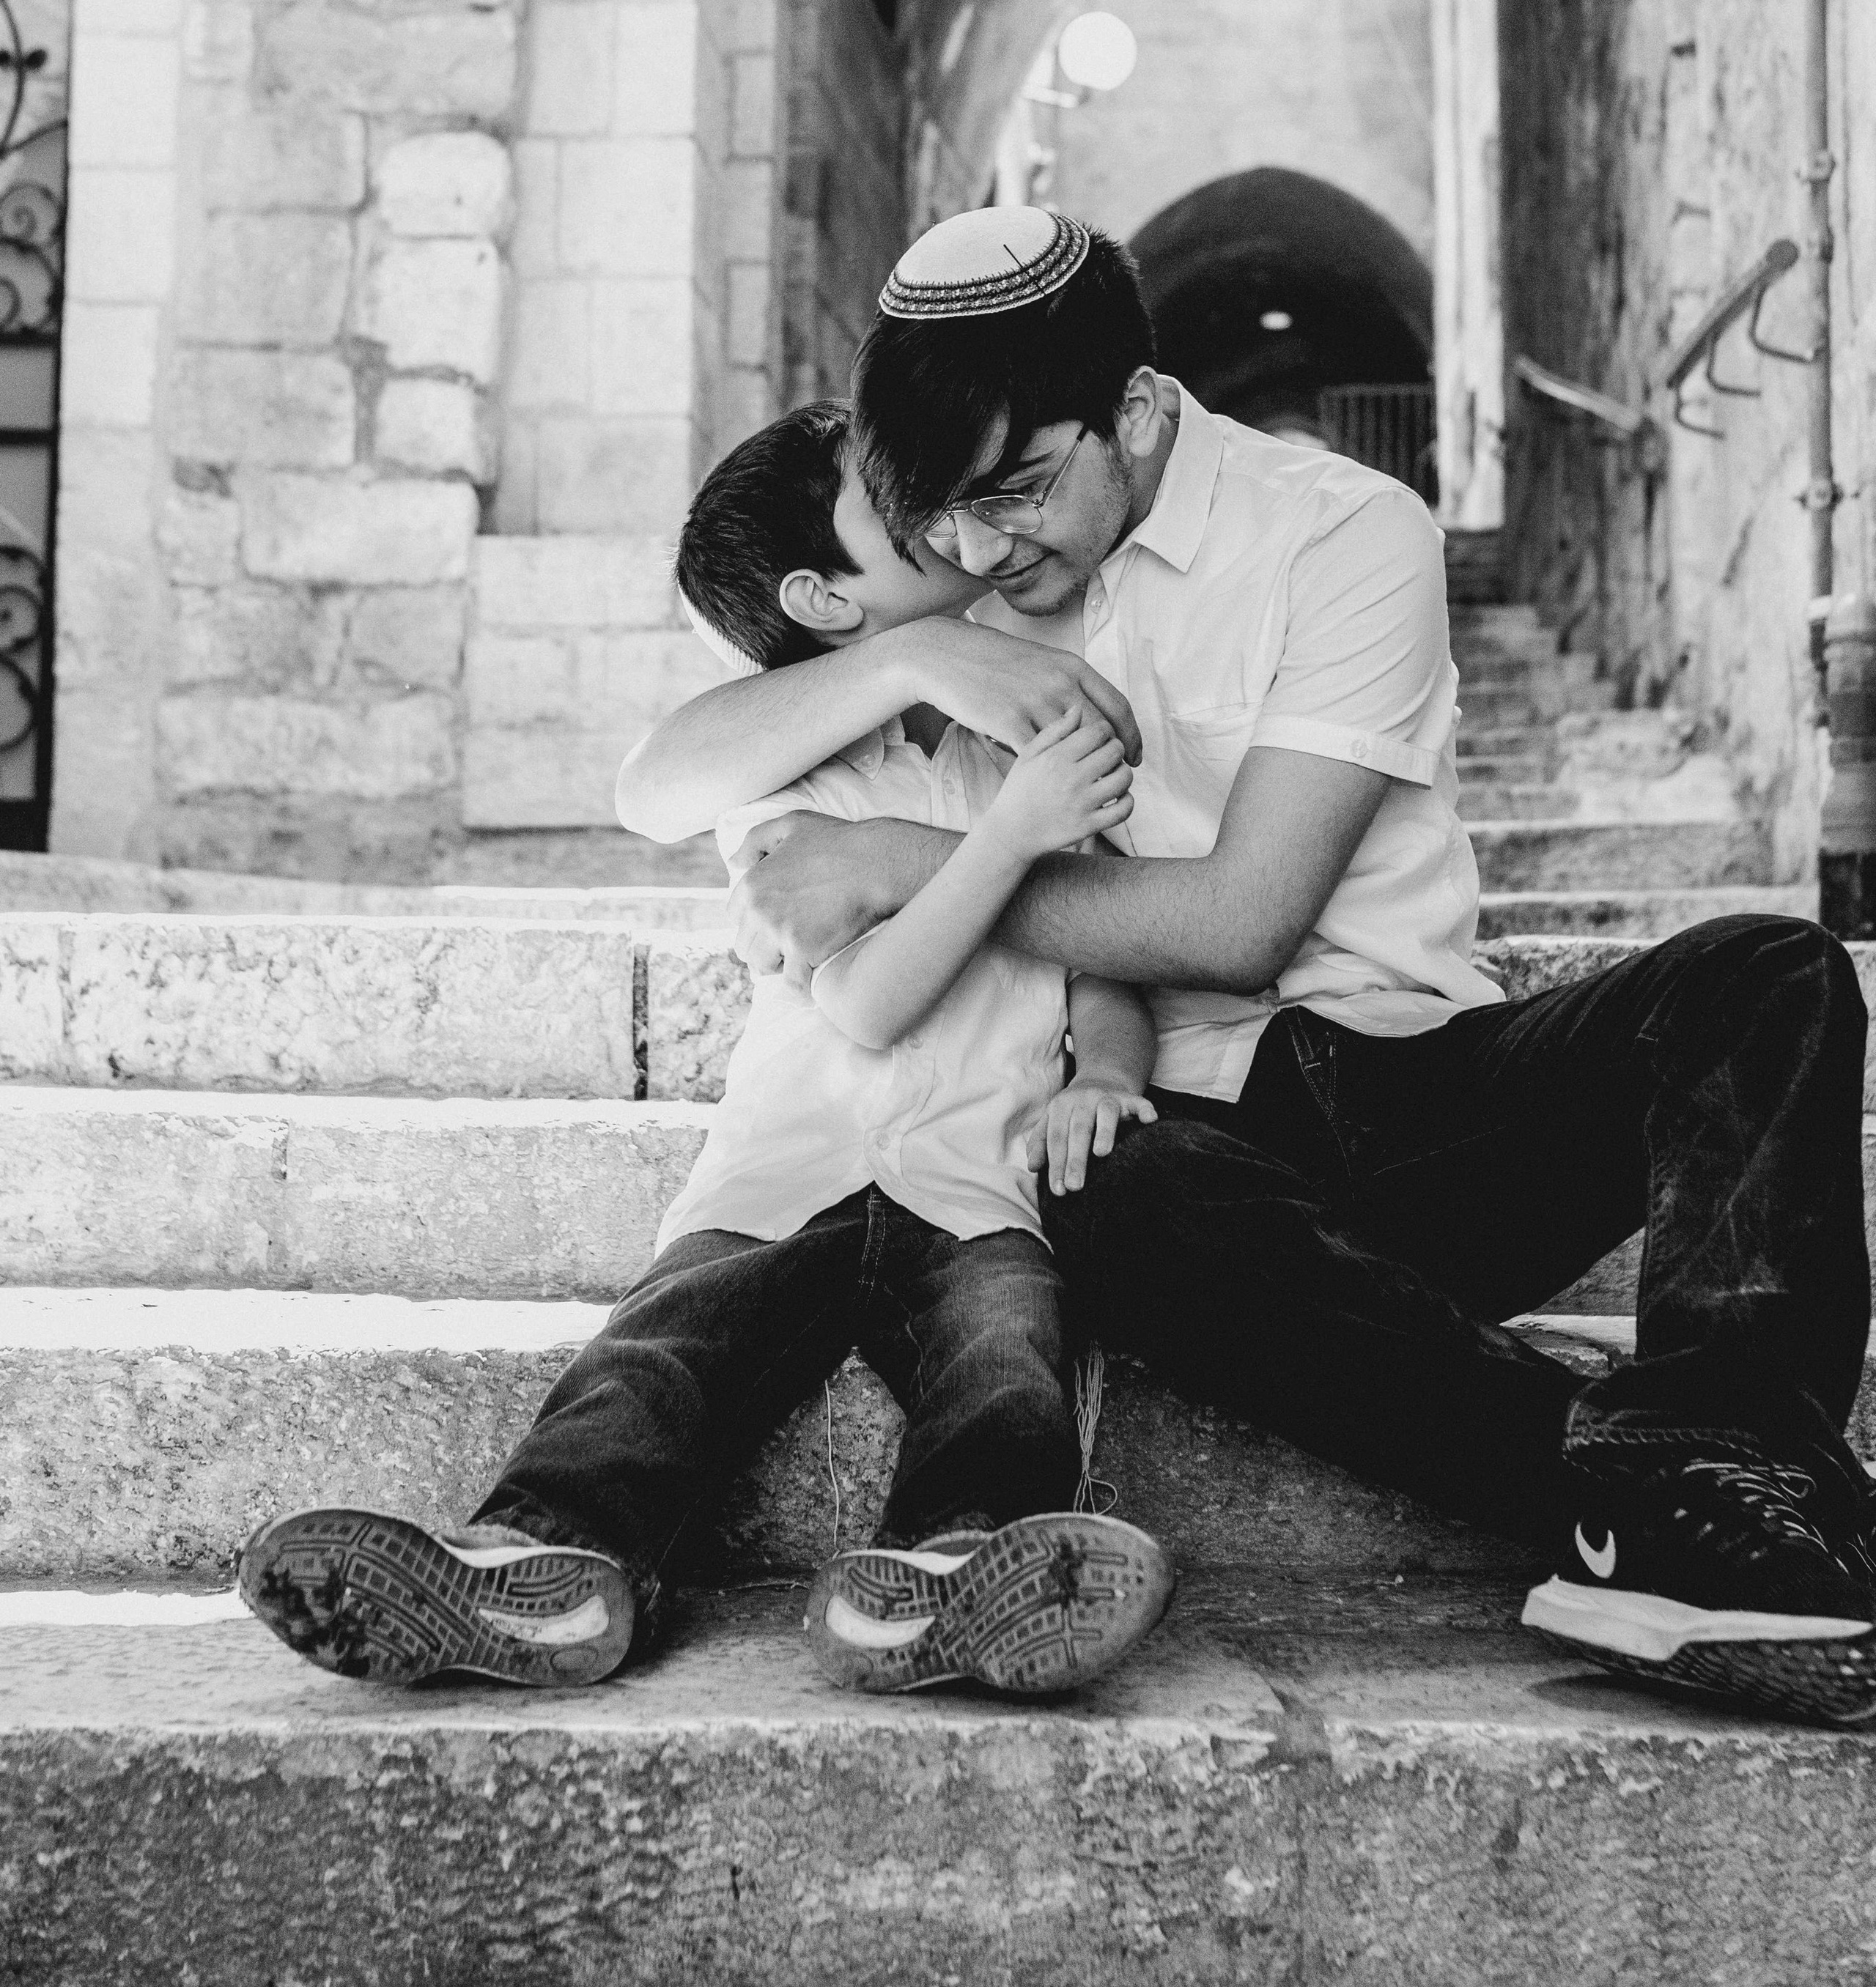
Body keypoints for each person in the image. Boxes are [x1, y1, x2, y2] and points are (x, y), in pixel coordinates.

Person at [618, 205, 1875, 1728]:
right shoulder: (962, 587)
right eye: (939, 516)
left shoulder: (1341, 530)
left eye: (1015, 493)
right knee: (1105, 1191)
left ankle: (1711, 1461)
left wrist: (909, 868)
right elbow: (660, 782)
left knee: (1770, 977)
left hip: (1416, 1097)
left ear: (1137, 416)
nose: (978, 549)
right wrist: (900, 658)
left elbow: (1241, 925)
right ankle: (1659, 1506)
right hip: (1180, 1144)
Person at [240, 399, 1174, 1698]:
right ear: (825, 600)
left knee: (1007, 1358)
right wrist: (1009, 834)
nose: (924, 481)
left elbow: (1109, 949)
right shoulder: (794, 778)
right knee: (654, 1362)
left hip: (981, 1173)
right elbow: (867, 1002)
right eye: (879, 486)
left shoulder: (1025, 741)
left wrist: (1116, 1071)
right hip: (778, 1176)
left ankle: (967, 1572)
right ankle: (539, 1563)